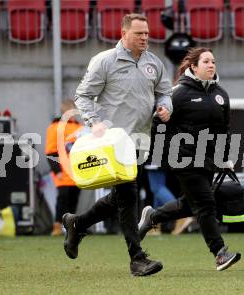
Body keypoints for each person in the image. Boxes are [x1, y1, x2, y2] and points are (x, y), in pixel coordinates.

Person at [62, 13, 173, 276]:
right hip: (112, 144)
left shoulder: (153, 63)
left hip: (141, 141)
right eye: (138, 34)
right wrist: (94, 121)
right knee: (128, 196)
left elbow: (165, 91)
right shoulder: (105, 61)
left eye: (146, 33)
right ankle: (137, 258)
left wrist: (165, 107)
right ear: (123, 34)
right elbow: (83, 95)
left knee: (120, 197)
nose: (145, 38)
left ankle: (77, 223)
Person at [138, 47, 241, 271]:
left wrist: (224, 158)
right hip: (183, 159)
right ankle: (220, 253)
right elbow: (156, 124)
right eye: (206, 61)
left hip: (209, 160)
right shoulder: (179, 93)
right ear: (193, 67)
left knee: (190, 203)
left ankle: (152, 217)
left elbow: (224, 130)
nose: (211, 65)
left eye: (213, 61)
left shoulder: (221, 94)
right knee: (205, 204)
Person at [45, 99, 82, 236]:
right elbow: (50, 151)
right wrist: (57, 170)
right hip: (62, 170)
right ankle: (57, 225)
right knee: (63, 197)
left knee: (74, 198)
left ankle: (70, 226)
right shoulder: (55, 128)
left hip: (77, 171)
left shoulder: (79, 128)